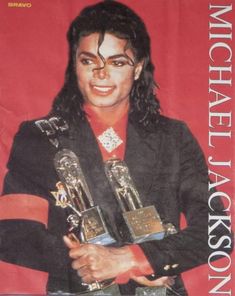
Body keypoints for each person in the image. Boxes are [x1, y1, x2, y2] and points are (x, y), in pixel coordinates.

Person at [0, 1, 232, 295]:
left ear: (137, 69)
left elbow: (217, 233)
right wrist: (93, 265)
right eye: (88, 61)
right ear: (75, 65)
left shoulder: (173, 137)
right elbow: (13, 232)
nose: (100, 73)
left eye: (117, 62)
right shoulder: (39, 137)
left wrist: (131, 260)